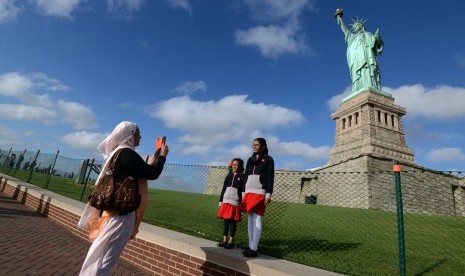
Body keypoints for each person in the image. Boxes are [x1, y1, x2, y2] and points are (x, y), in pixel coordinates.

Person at [78, 121, 169, 275]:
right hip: (121, 213)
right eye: (138, 133)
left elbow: (143, 170)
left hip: (112, 211)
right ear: (131, 134)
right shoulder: (127, 153)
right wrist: (163, 157)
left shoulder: (119, 152)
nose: (141, 137)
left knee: (100, 252)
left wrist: (156, 156)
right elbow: (152, 174)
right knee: (106, 256)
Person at [335, 8, 383, 93]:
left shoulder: (367, 34)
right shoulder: (351, 37)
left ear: (361, 26)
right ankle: (358, 88)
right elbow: (345, 30)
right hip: (355, 60)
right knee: (357, 75)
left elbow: (376, 46)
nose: (355, 27)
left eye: (357, 25)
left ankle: (370, 85)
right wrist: (339, 18)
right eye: (354, 26)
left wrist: (377, 38)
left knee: (367, 70)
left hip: (366, 58)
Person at [241, 138, 274, 257]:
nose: (254, 147)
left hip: (260, 192)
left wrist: (268, 194)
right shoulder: (250, 160)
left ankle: (254, 248)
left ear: (263, 146)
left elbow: (270, 177)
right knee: (250, 219)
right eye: (253, 145)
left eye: (257, 145)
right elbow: (246, 176)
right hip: (249, 192)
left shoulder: (268, 159)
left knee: (257, 219)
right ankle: (251, 246)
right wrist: (243, 192)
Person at [216, 158, 245, 249]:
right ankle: (224, 240)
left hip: (235, 202)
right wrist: (221, 200)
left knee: (232, 222)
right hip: (226, 201)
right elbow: (224, 188)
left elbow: (243, 190)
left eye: (236, 164)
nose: (234, 166)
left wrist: (243, 201)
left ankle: (231, 241)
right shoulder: (229, 175)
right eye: (233, 164)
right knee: (225, 221)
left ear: (240, 165)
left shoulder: (243, 176)